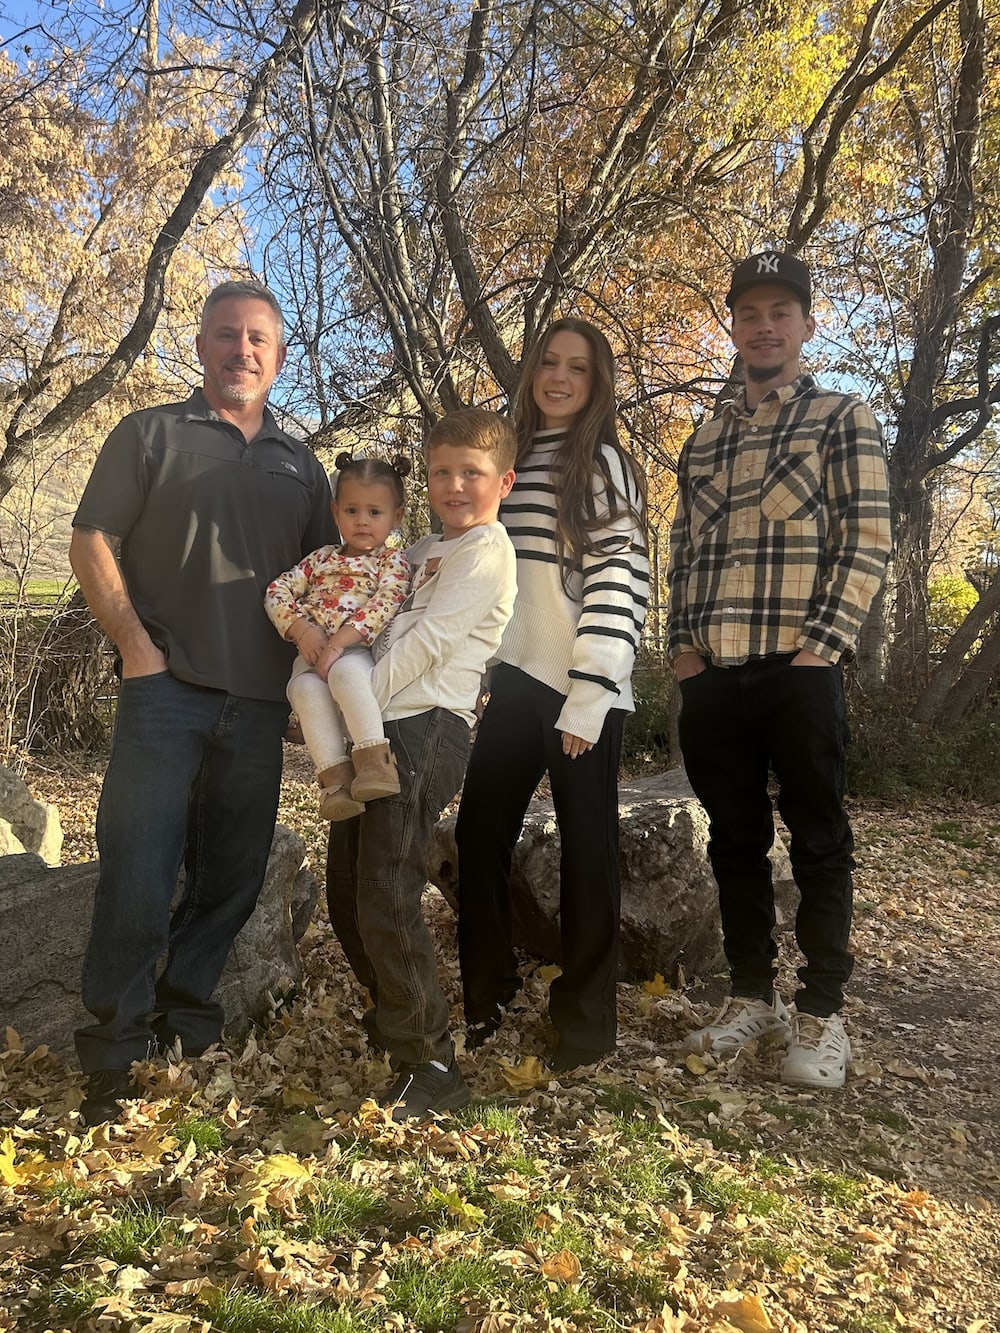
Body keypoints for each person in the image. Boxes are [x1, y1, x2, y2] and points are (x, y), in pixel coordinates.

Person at [69, 279, 337, 1126]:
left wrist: (315, 687)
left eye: (259, 338)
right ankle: (114, 1053)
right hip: (165, 694)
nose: (242, 351)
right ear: (201, 346)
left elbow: (326, 582)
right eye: (227, 335)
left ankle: (187, 1022)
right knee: (138, 871)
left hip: (257, 708)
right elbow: (90, 540)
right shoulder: (149, 433)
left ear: (280, 355)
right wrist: (135, 648)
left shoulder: (302, 464)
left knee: (231, 874)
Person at [667, 251, 892, 1089]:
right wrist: (682, 651)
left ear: (805, 324)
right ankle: (750, 994)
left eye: (780, 313)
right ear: (734, 324)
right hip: (714, 673)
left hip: (800, 668)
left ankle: (822, 1015)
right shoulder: (707, 437)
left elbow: (866, 539)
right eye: (750, 312)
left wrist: (819, 649)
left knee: (821, 841)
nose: (764, 326)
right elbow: (684, 551)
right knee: (734, 841)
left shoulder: (841, 418)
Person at [455, 318, 649, 1072]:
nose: (560, 376)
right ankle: (489, 995)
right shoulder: (511, 454)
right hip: (515, 684)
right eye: (550, 362)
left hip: (580, 690)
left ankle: (585, 1021)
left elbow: (620, 578)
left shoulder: (600, 461)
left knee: (587, 852)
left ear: (597, 383)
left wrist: (591, 690)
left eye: (578, 367)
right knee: (478, 836)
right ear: (533, 370)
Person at [325, 407, 518, 1120]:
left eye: (472, 472)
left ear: (504, 480)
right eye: (442, 471)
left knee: (385, 885)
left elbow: (425, 645)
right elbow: (370, 622)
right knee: (344, 888)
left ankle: (431, 1061)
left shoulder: (487, 550)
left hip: (426, 727)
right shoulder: (416, 551)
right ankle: (397, 1017)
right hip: (375, 727)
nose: (455, 484)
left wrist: (352, 709)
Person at [265, 453, 411, 821]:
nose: (362, 521)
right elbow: (276, 591)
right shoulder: (319, 560)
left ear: (397, 515)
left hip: (356, 650)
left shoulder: (390, 561)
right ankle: (335, 782)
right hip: (311, 653)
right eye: (352, 511)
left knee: (346, 675)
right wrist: (302, 631)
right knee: (303, 690)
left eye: (375, 512)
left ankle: (375, 761)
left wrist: (338, 643)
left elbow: (385, 602)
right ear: (335, 512)